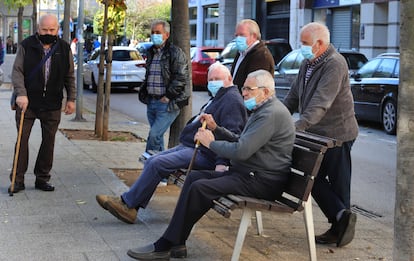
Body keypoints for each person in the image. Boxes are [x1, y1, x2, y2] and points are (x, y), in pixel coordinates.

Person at [125, 69, 295, 260]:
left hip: (261, 181)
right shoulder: (264, 109)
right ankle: (177, 243)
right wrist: (216, 129)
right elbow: (241, 140)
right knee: (193, 178)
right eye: (244, 88)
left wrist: (211, 143)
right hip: (249, 174)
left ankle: (166, 243)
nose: (244, 92)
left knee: (200, 187)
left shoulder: (270, 114)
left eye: (249, 89)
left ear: (265, 91)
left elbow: (241, 150)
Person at [96, 62, 248, 228]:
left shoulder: (232, 100)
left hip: (206, 154)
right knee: (153, 160)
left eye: (217, 79)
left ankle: (128, 204)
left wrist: (221, 164)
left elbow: (231, 136)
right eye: (210, 79)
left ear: (229, 79)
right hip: (193, 147)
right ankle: (130, 203)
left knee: (157, 162)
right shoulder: (221, 96)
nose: (213, 82)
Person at [283, 22, 359, 247]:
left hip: (338, 133)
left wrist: (297, 127)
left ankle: (340, 229)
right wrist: (276, 117)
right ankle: (340, 220)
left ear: (319, 44)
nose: (301, 47)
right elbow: (293, 96)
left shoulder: (335, 64)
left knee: (337, 184)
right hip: (317, 133)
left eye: (304, 43)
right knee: (309, 178)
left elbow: (320, 102)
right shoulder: (308, 62)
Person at [8, 14, 76, 193]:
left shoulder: (64, 48)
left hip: (52, 103)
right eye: (44, 30)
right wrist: (21, 94)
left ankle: (42, 178)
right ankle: (17, 179)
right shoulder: (26, 45)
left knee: (49, 141)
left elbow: (69, 75)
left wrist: (71, 99)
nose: (48, 33)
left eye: (52, 30)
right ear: (38, 29)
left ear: (57, 30)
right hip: (27, 103)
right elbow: (17, 72)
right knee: (22, 140)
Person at [138, 19, 189, 153]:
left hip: (167, 103)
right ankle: (160, 170)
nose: (155, 35)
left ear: (166, 35)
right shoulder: (150, 52)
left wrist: (168, 96)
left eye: (158, 32)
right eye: (153, 32)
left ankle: (148, 164)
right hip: (152, 101)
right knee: (158, 138)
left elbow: (181, 77)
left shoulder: (175, 53)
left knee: (154, 135)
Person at [230, 19, 275, 91]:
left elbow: (254, 86)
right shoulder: (241, 53)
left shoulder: (261, 56)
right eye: (236, 35)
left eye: (242, 35)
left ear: (254, 36)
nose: (238, 38)